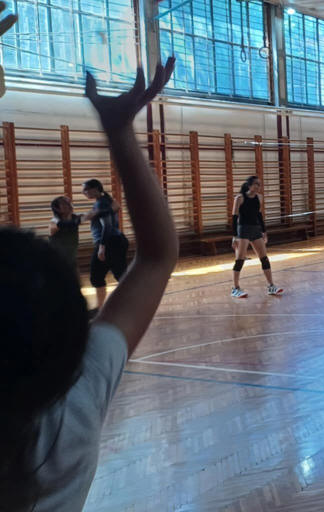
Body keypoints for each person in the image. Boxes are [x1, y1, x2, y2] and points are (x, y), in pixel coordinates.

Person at [0, 59, 178, 512]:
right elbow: (158, 256)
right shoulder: (72, 412)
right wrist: (120, 130)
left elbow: (148, 253)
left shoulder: (93, 210)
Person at [230, 176, 284, 298]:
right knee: (240, 260)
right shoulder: (239, 198)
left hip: (255, 230)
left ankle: (271, 286)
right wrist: (234, 236)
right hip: (243, 230)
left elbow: (259, 215)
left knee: (264, 258)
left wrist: (264, 231)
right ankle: (235, 288)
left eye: (259, 184)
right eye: (256, 184)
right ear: (249, 185)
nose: (258, 186)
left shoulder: (259, 197)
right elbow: (234, 218)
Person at [82, 179, 128, 309]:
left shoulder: (101, 203)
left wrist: (102, 247)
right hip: (115, 241)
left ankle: (102, 307)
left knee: (98, 276)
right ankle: (102, 307)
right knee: (119, 275)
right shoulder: (105, 201)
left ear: (95, 189)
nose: (83, 193)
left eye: (85, 190)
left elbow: (107, 226)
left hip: (109, 243)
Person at [48, 196, 82, 270]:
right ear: (57, 209)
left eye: (69, 202)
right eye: (64, 203)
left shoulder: (74, 217)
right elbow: (62, 225)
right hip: (57, 258)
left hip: (71, 256)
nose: (69, 204)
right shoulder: (54, 221)